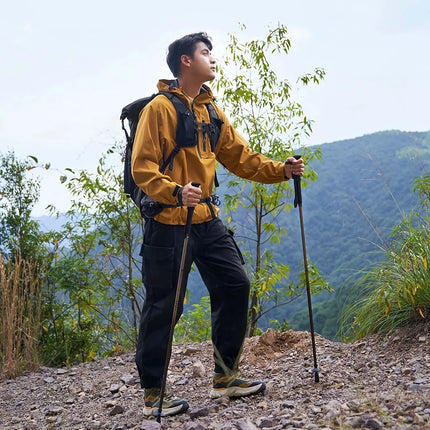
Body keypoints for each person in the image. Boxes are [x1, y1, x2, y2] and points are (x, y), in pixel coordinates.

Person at [131, 32, 304, 417]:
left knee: (235, 284)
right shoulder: (159, 109)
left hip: (207, 220)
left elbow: (241, 158)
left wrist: (283, 171)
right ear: (185, 62)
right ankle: (152, 393)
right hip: (168, 221)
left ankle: (226, 377)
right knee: (164, 306)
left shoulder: (210, 111)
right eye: (206, 53)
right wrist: (176, 192)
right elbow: (141, 168)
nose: (213, 59)